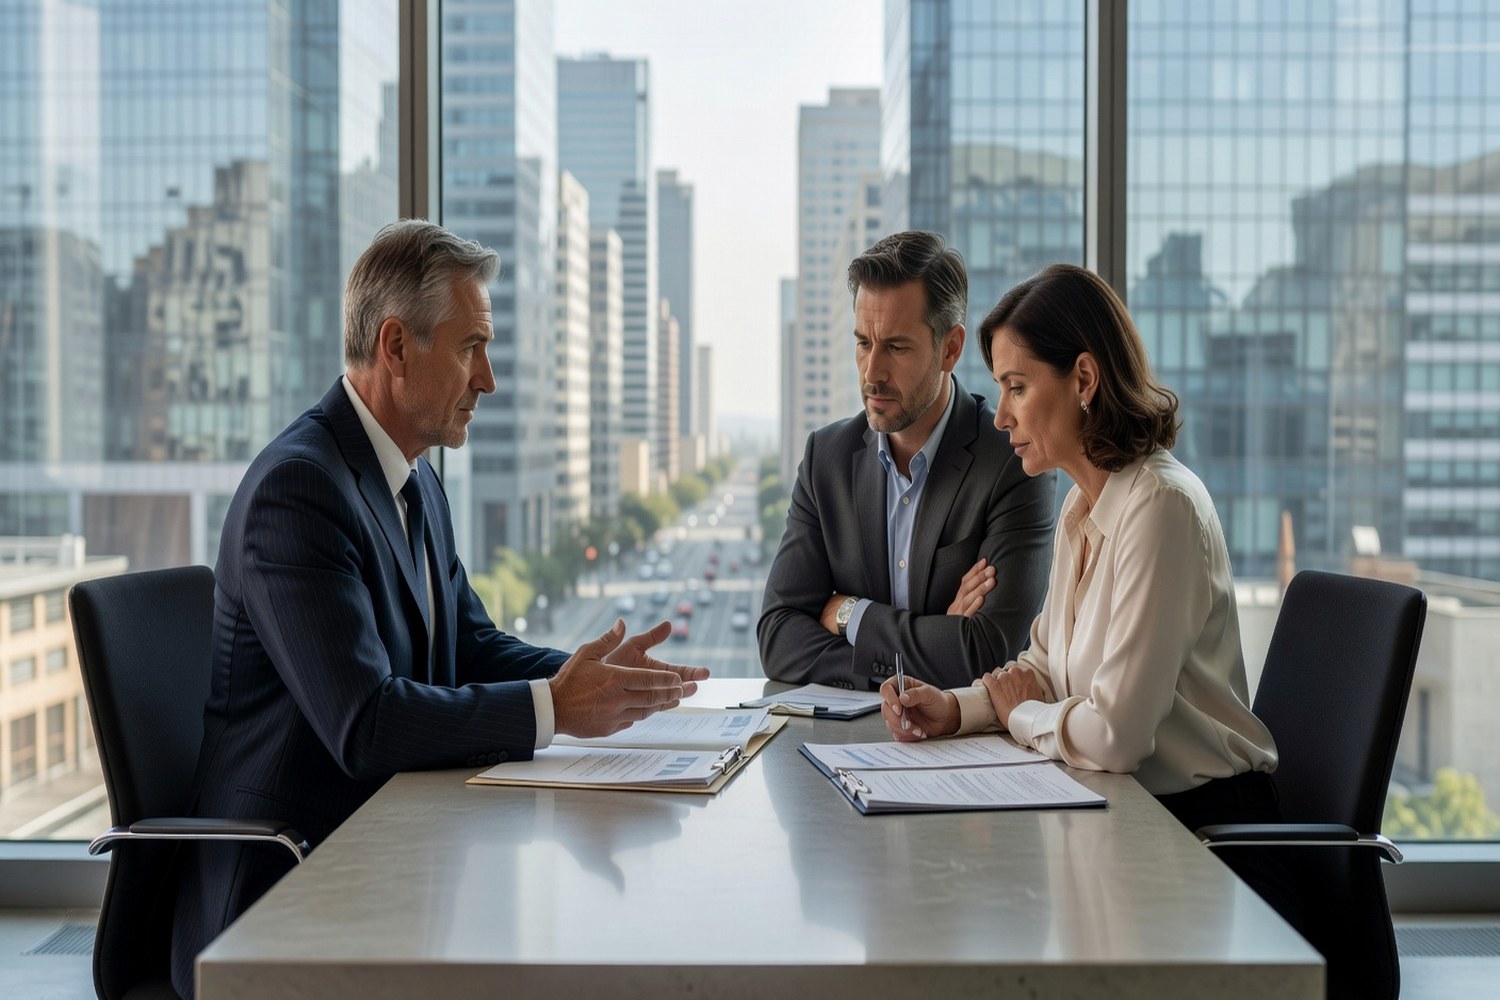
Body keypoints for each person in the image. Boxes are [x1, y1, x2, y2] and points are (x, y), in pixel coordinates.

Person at [171, 220, 708, 996]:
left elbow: (472, 643)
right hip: (287, 891)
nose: (487, 379)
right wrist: (554, 708)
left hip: (393, 854)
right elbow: (366, 724)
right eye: (470, 348)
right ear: (395, 346)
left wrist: (591, 682)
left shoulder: (416, 480)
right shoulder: (299, 492)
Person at [881, 262, 1279, 834]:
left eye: (1017, 387)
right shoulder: (1082, 506)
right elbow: (1043, 668)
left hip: (1206, 836)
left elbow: (1116, 736)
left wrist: (1020, 715)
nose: (1000, 415)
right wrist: (954, 709)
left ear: (1085, 380)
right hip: (1121, 814)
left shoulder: (1161, 507)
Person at [759, 231, 1055, 691]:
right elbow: (778, 638)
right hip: (841, 747)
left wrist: (849, 613)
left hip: (966, 753)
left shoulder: (1011, 460)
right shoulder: (827, 460)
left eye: (896, 348)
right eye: (863, 343)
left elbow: (985, 652)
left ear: (950, 349)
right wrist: (934, 637)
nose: (872, 372)